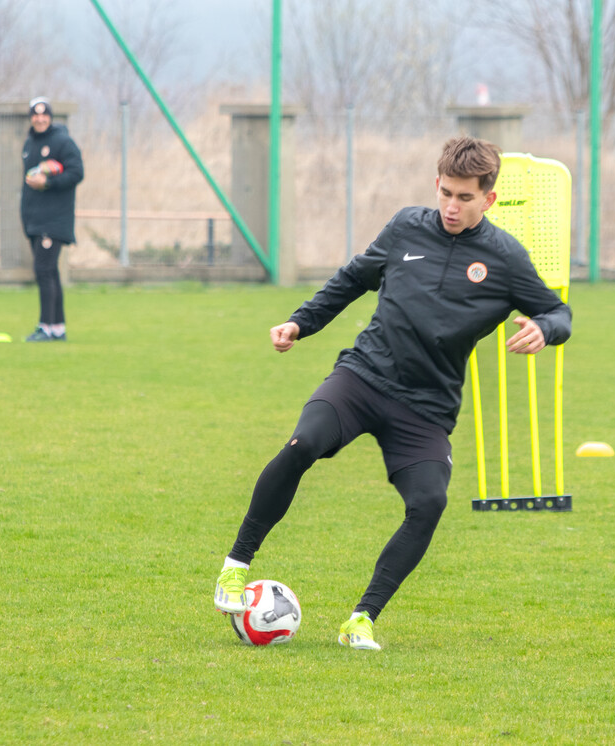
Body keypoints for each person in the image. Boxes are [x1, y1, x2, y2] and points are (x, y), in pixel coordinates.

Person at [214, 137, 572, 649]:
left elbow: (559, 312)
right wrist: (300, 323)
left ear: (489, 199)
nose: (452, 206)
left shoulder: (506, 258)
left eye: (465, 197)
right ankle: (235, 566)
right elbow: (353, 278)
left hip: (425, 408)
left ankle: (362, 618)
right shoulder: (406, 225)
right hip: (362, 378)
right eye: (446, 192)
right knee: (303, 444)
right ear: (436, 184)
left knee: (429, 502)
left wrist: (545, 329)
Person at [20, 96, 84, 342]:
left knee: (43, 270)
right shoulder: (29, 144)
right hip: (34, 220)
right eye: (36, 115)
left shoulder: (62, 142)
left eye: (44, 114)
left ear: (50, 116)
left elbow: (77, 172)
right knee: (50, 272)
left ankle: (45, 327)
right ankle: (58, 327)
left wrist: (49, 181)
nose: (40, 118)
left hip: (54, 220)